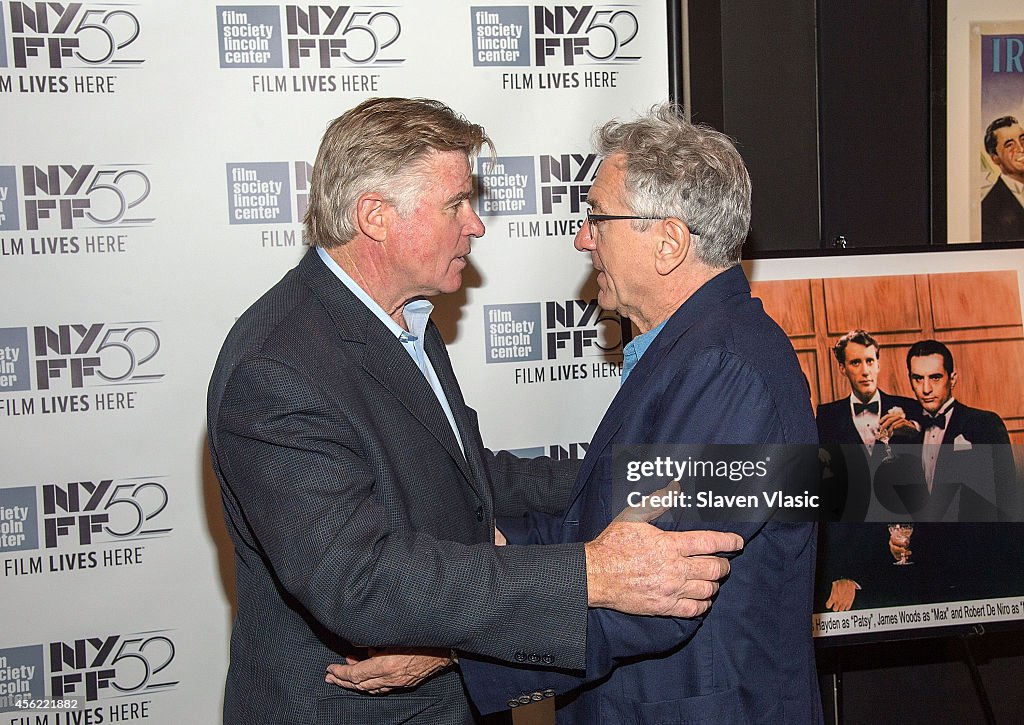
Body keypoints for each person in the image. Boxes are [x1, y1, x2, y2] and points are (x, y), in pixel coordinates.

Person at [207, 97, 742, 724]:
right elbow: (361, 580)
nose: (476, 225)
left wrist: (633, 484)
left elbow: (468, 477)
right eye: (456, 203)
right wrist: (589, 572)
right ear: (375, 216)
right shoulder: (280, 366)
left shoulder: (402, 319)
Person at [332, 103, 823, 722]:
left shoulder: (728, 369)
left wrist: (452, 647)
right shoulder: (694, 352)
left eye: (598, 218)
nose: (582, 237)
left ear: (668, 242)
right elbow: (608, 533)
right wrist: (497, 545)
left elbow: (652, 583)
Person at [814, 330, 919, 611]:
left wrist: (913, 430)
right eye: (856, 363)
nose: (865, 371)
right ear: (842, 368)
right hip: (856, 559)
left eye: (870, 361)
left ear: (879, 363)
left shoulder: (909, 411)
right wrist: (838, 572)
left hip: (910, 555)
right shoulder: (826, 416)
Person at [981, 116, 1024, 242]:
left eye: (1023, 140)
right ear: (995, 158)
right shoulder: (988, 212)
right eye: (1009, 145)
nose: (1021, 149)